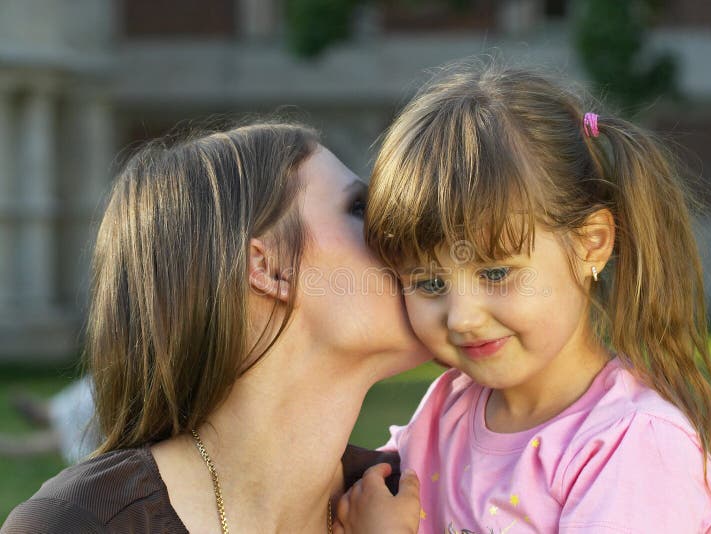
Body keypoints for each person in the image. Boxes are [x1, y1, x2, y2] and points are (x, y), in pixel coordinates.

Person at [335, 60, 711, 533]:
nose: (463, 318)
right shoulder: (447, 410)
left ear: (589, 244)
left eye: (495, 273)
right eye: (430, 283)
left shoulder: (631, 444)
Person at [2, 120, 428, 533]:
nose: (411, 236)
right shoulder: (79, 524)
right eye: (359, 208)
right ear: (269, 267)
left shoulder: (431, 500)